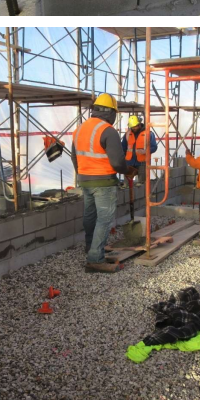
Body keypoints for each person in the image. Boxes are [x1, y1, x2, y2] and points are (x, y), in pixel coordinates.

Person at [71, 93, 136, 272]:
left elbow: (74, 157)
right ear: (110, 113)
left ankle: (91, 248)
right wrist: (129, 170)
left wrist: (83, 174)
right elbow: (117, 162)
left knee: (90, 216)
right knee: (104, 220)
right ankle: (95, 258)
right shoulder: (108, 131)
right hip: (104, 182)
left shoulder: (79, 129)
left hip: (85, 181)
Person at [121, 115, 158, 185]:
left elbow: (154, 147)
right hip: (129, 161)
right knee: (126, 183)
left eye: (135, 126)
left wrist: (146, 151)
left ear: (139, 124)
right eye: (132, 127)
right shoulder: (128, 134)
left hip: (142, 162)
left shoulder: (148, 134)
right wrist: (123, 159)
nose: (134, 128)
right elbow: (123, 147)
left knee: (141, 184)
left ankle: (141, 194)